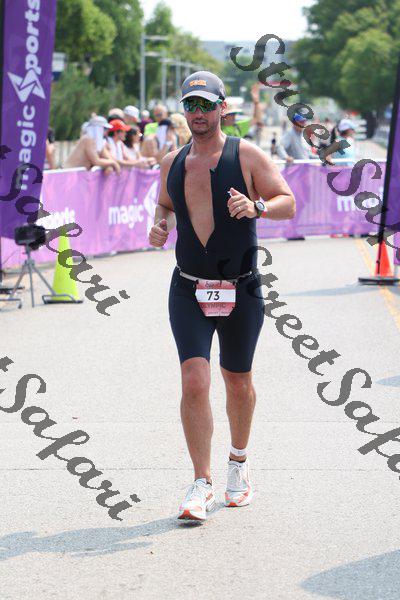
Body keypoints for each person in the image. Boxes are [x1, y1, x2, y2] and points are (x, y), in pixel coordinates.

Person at [148, 71, 295, 522]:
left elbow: (287, 200)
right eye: (190, 105)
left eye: (206, 105)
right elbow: (165, 204)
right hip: (188, 286)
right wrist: (160, 225)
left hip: (241, 288)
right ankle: (201, 482)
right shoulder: (172, 162)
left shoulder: (245, 154)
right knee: (194, 380)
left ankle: (238, 463)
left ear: (221, 108)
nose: (198, 113)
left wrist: (257, 206)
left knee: (237, 381)